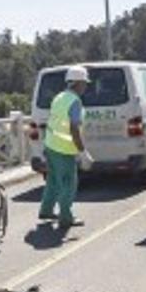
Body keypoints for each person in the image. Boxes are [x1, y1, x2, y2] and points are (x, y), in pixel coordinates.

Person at [39, 65, 93, 228]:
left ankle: (46, 210)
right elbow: (74, 128)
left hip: (51, 145)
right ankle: (66, 218)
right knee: (68, 183)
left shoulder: (59, 97)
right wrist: (83, 152)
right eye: (84, 83)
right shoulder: (75, 102)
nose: (85, 86)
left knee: (53, 180)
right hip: (64, 149)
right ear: (77, 83)